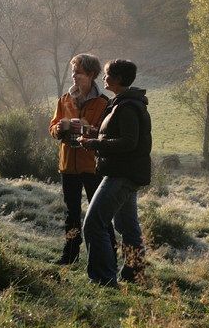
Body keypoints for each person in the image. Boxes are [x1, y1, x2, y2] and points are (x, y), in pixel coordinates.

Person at [79, 59, 151, 286]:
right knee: (127, 226)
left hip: (121, 174)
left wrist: (94, 144)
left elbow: (129, 142)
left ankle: (103, 278)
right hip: (127, 172)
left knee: (93, 223)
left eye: (108, 74)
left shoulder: (127, 106)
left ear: (118, 79)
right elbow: (121, 136)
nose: (104, 77)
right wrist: (96, 136)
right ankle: (134, 275)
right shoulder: (124, 102)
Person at [48, 54, 116, 265]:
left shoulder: (104, 103)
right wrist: (57, 129)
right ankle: (69, 256)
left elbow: (108, 135)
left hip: (92, 166)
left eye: (78, 72)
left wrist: (91, 132)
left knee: (101, 216)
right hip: (67, 165)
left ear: (91, 74)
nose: (73, 76)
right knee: (71, 214)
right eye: (73, 72)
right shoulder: (64, 100)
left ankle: (109, 257)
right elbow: (52, 127)